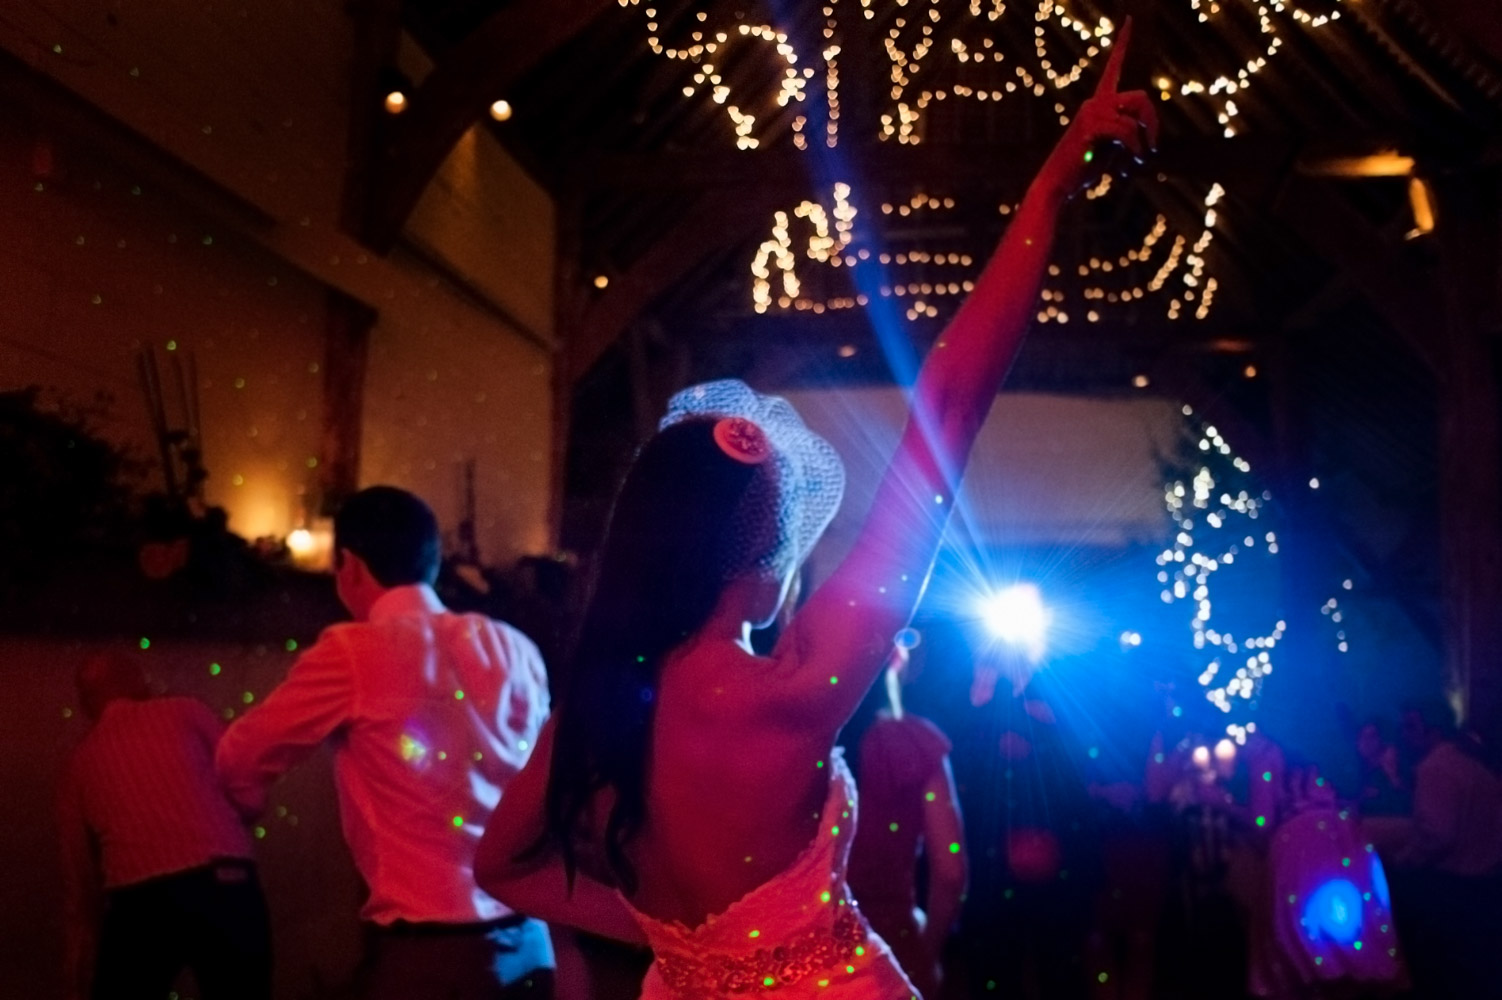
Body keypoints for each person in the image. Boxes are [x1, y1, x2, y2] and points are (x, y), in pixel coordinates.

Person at [473, 25, 1157, 1000]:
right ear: (757, 557)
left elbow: (496, 866)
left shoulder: (595, 701)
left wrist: (685, 942)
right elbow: (947, 411)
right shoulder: (792, 685)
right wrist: (1046, 190)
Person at [215, 486, 554, 999]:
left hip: (433, 957)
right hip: (532, 943)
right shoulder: (516, 647)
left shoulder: (354, 652)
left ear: (347, 564)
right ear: (433, 562)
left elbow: (240, 754)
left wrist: (247, 801)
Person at [58, 651, 270, 1000]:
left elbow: (79, 873)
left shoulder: (78, 764)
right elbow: (247, 786)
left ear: (85, 702)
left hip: (140, 901)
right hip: (225, 879)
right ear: (139, 681)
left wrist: (84, 945)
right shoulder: (185, 711)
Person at [846, 644, 965, 998]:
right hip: (893, 942)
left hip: (806, 950)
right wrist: (925, 951)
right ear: (895, 659)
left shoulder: (802, 740)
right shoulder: (915, 742)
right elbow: (951, 871)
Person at [1388, 701, 1502, 998]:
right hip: (1486, 889)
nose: (1404, 735)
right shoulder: (1474, 764)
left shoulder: (1434, 767)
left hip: (1450, 895)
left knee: (1439, 978)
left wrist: (1403, 861)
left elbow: (1438, 834)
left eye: (1411, 727)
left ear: (1433, 731)